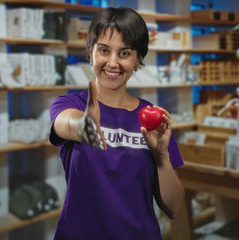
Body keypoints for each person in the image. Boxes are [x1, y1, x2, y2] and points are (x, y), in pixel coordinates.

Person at [49, 6, 185, 239]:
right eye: (104, 50)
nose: (112, 63)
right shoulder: (72, 104)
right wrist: (84, 126)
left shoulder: (152, 118)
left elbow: (174, 208)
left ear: (138, 59)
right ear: (91, 51)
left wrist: (161, 155)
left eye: (124, 53)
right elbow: (66, 124)